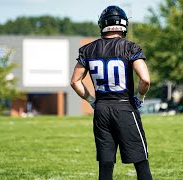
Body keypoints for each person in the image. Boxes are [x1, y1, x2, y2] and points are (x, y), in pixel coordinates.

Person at [70, 5, 152, 180]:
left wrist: (92, 100)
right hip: (124, 107)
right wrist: (140, 98)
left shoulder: (88, 49)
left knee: (105, 166)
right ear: (123, 25)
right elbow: (145, 79)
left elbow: (75, 81)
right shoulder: (130, 47)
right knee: (141, 162)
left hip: (101, 111)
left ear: (103, 24)